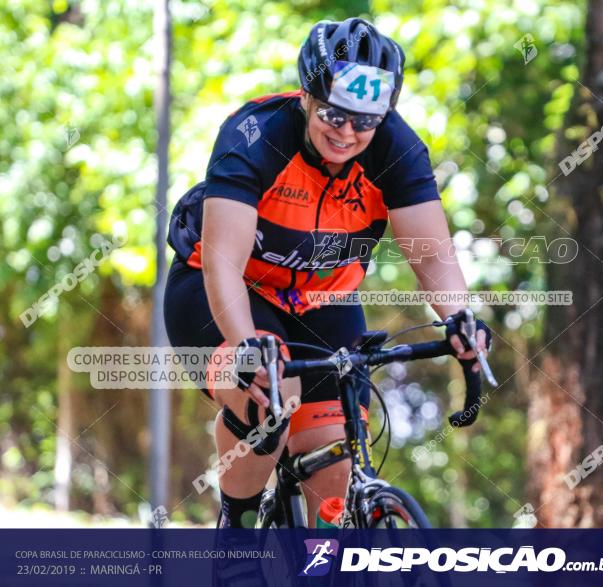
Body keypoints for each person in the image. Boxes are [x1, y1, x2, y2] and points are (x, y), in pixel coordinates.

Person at [164, 17, 491, 533]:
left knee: (334, 461)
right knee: (271, 398)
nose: (347, 132)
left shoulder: (395, 150)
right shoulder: (255, 135)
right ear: (307, 97)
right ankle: (238, 536)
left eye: (364, 121)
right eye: (334, 115)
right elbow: (224, 259)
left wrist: (461, 320)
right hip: (224, 289)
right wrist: (246, 345)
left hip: (323, 300)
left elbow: (431, 254)